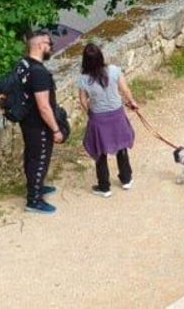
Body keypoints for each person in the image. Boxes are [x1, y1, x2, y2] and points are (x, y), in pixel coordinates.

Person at [77, 43, 138, 198]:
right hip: (117, 114)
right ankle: (126, 179)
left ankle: (104, 186)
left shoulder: (83, 79)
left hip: (98, 118)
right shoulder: (114, 70)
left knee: (100, 151)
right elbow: (125, 90)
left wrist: (90, 112)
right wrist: (132, 102)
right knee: (121, 146)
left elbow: (83, 101)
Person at [18, 26, 66, 214]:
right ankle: (34, 200)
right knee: (40, 159)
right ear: (38, 45)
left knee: (31, 156)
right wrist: (55, 129)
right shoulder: (39, 73)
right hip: (38, 124)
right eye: (48, 43)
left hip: (27, 121)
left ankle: (35, 186)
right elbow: (44, 106)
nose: (51, 47)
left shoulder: (23, 64)